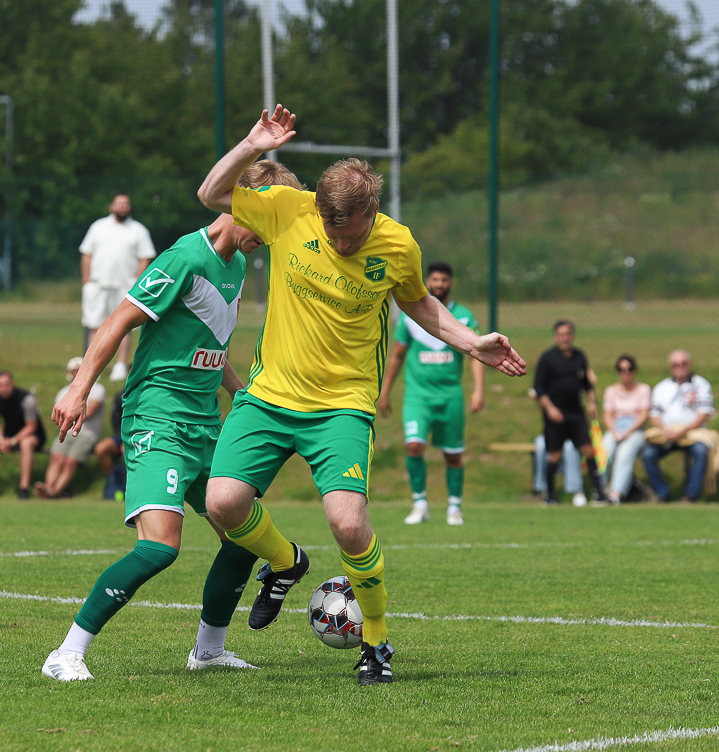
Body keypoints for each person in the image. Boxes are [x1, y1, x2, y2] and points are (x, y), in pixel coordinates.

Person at [196, 106, 527, 686]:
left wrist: (471, 342)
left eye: (350, 235)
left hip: (342, 405)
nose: (340, 243)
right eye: (331, 233)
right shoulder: (287, 209)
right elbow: (210, 194)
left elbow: (419, 303)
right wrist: (252, 145)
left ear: (372, 212)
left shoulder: (398, 245)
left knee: (349, 526)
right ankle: (286, 562)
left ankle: (376, 642)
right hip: (269, 395)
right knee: (222, 503)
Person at [41, 160, 303, 682]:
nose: (271, 237)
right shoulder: (185, 257)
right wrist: (79, 388)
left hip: (206, 424)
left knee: (242, 533)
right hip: (158, 417)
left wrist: (245, 395)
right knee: (160, 547)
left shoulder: (235, 266)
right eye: (270, 221)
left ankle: (209, 651)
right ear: (244, 204)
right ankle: (65, 653)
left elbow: (210, 347)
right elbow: (118, 320)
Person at [378, 260, 484, 526]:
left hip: (450, 395)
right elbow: (397, 355)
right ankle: (420, 504)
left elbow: (476, 355)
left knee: (453, 453)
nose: (439, 284)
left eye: (444, 280)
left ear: (451, 283)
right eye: (435, 279)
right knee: (414, 445)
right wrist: (385, 391)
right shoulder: (410, 316)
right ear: (427, 282)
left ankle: (454, 507)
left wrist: (478, 390)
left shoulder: (464, 317)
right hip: (418, 396)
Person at [80, 194, 157, 382]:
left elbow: (144, 258)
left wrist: (137, 284)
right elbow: (87, 254)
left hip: (126, 287)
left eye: (126, 204)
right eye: (119, 204)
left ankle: (120, 365)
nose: (122, 207)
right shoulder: (98, 227)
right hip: (98, 284)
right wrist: (86, 281)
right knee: (94, 325)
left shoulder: (138, 230)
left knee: (124, 326)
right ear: (112, 206)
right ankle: (92, 367)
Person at [534, 320, 607, 506]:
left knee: (588, 450)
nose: (564, 338)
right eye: (560, 335)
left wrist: (592, 402)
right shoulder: (547, 358)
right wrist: (550, 408)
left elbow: (587, 383)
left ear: (572, 336)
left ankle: (599, 493)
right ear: (555, 337)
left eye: (567, 334)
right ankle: (550, 495)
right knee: (555, 455)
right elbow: (539, 388)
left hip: (576, 412)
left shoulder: (579, 356)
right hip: (556, 414)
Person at [642, 349, 719, 502]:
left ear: (689, 364)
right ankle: (663, 493)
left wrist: (683, 431)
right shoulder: (661, 387)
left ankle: (691, 495)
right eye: (676, 364)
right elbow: (654, 416)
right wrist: (665, 431)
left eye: (684, 364)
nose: (680, 367)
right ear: (670, 366)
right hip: (667, 435)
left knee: (701, 451)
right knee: (648, 454)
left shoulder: (701, 384)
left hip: (693, 434)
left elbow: (703, 415)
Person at [35, 357, 106, 498]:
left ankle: (54, 491)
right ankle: (48, 488)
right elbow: (58, 417)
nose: (77, 373)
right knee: (56, 458)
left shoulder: (98, 389)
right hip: (67, 432)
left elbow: (89, 412)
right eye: (74, 370)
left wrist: (70, 413)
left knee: (71, 461)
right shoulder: (63, 392)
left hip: (88, 433)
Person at [0, 370, 46, 501]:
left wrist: (13, 441)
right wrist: (1, 440)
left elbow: (31, 426)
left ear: (12, 384)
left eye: (7, 385)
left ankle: (24, 488)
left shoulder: (27, 399)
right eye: (0, 385)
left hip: (32, 435)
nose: (4, 388)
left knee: (26, 443)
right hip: (9, 435)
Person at [601, 354, 650, 505]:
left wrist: (628, 431)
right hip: (615, 427)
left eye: (629, 369)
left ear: (634, 371)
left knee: (624, 456)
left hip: (635, 429)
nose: (625, 373)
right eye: (622, 370)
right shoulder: (611, 390)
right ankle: (601, 491)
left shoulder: (643, 389)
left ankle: (616, 494)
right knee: (603, 455)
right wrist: (614, 431)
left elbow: (643, 414)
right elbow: (607, 415)